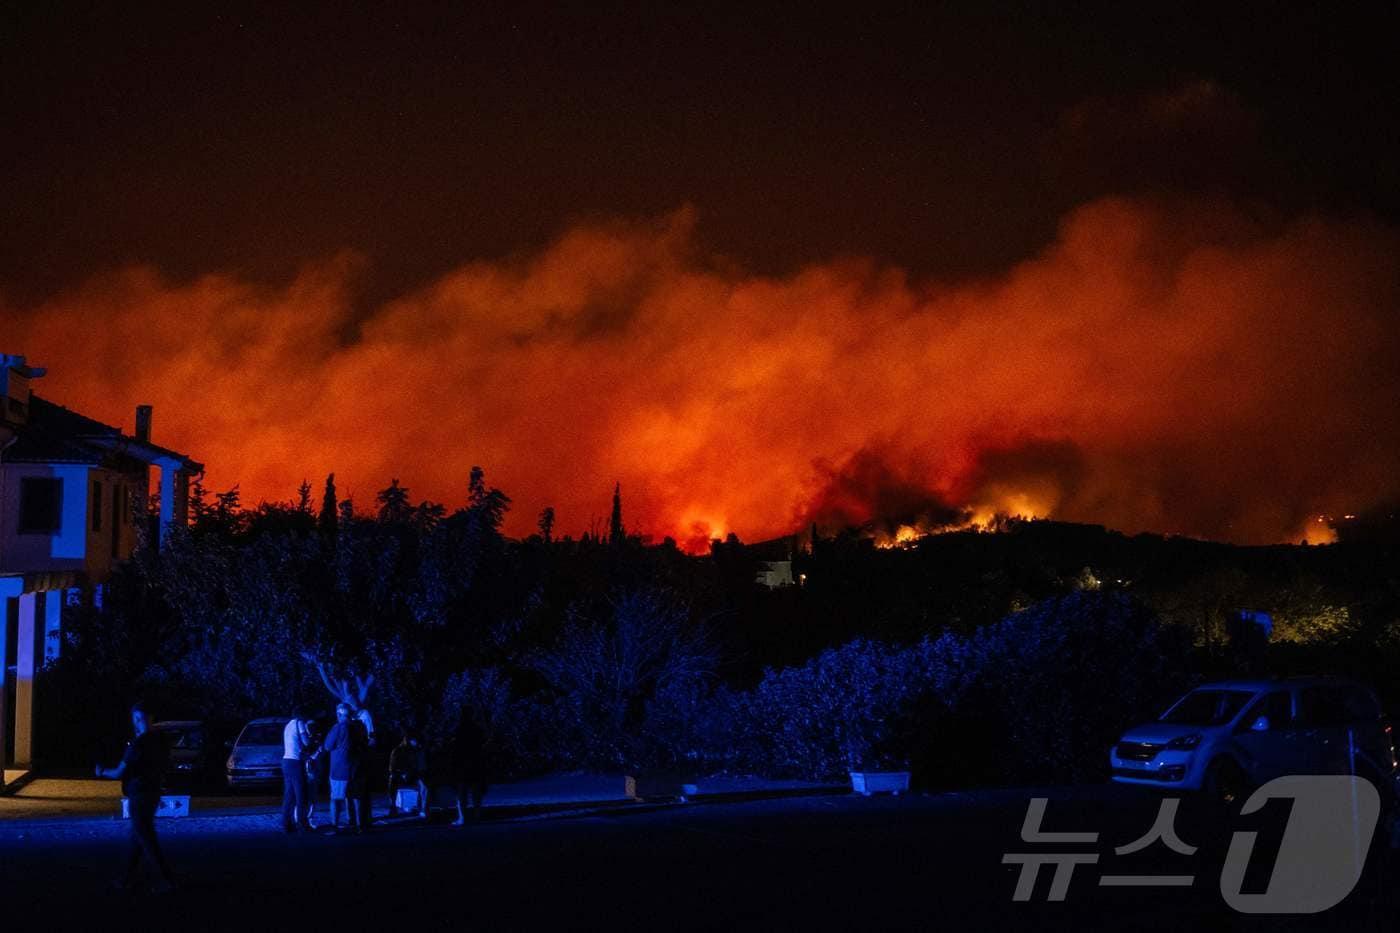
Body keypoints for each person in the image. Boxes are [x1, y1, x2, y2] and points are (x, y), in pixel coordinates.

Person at [95, 702, 176, 893]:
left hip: (139, 793)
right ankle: (126, 879)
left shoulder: (139, 744)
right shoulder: (161, 740)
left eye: (140, 719)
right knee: (138, 837)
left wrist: (102, 771)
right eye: (136, 720)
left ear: (151, 718)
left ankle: (166, 880)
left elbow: (119, 772)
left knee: (146, 839)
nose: (138, 724)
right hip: (153, 791)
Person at [317, 703, 365, 833]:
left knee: (336, 798)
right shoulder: (360, 727)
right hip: (357, 768)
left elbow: (327, 746)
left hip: (340, 769)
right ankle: (359, 825)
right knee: (356, 797)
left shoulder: (338, 727)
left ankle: (335, 825)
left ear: (339, 714)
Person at [450, 709, 489, 826]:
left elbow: (454, 749)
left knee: (462, 793)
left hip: (463, 765)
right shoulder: (477, 729)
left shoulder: (458, 730)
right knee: (475, 792)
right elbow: (483, 744)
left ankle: (463, 818)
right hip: (475, 764)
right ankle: (477, 816)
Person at [281, 707, 314, 833]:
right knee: (301, 794)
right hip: (295, 762)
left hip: (286, 761)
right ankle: (302, 823)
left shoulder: (288, 725)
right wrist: (311, 738)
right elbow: (306, 742)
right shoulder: (299, 723)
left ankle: (286, 823)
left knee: (289, 795)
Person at [388, 731, 429, 819]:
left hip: (414, 774)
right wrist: (402, 773)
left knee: (424, 784)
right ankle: (393, 807)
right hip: (401, 774)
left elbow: (421, 767)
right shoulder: (397, 750)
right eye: (414, 740)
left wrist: (415, 772)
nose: (416, 743)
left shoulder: (418, 750)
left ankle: (423, 808)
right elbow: (392, 768)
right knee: (391, 780)